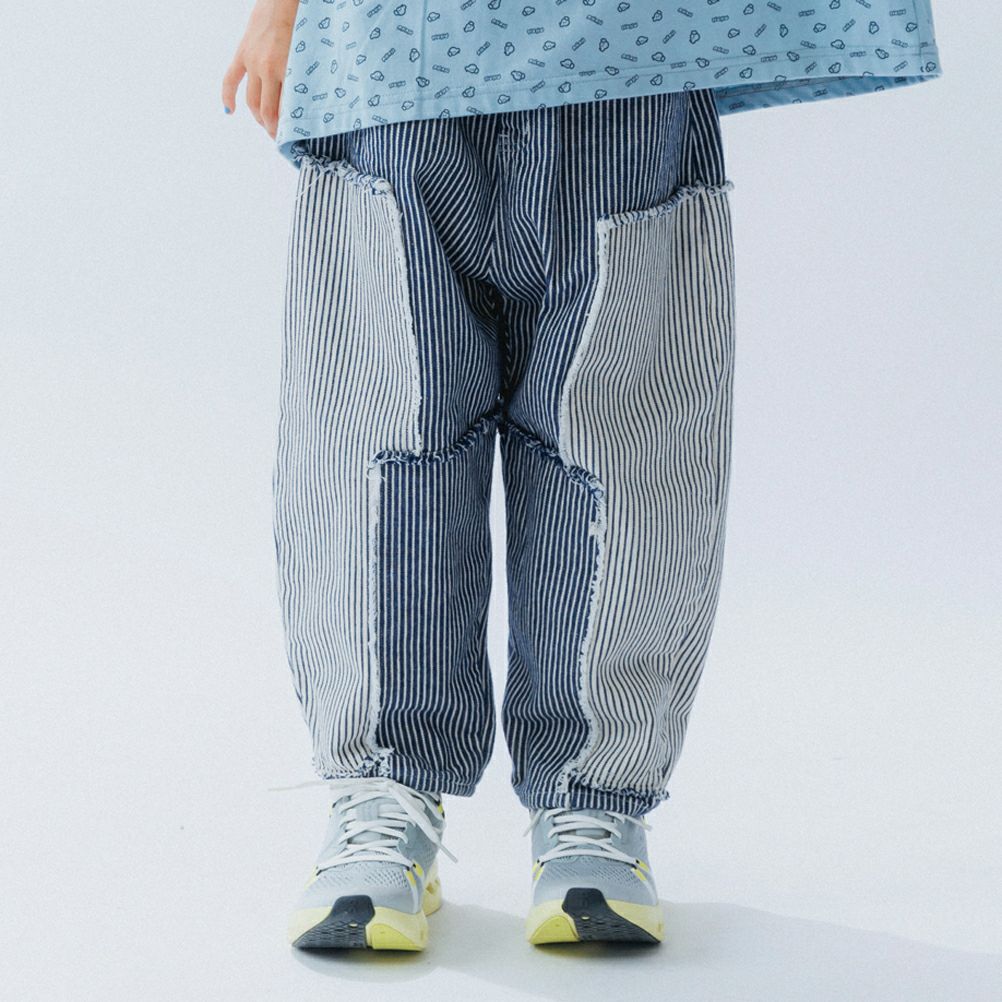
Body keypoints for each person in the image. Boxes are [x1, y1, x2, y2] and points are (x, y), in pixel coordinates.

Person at [222, 0, 942, 952]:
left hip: (628, 56)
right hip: (393, 57)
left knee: (623, 452)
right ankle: (382, 798)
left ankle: (592, 805)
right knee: (380, 444)